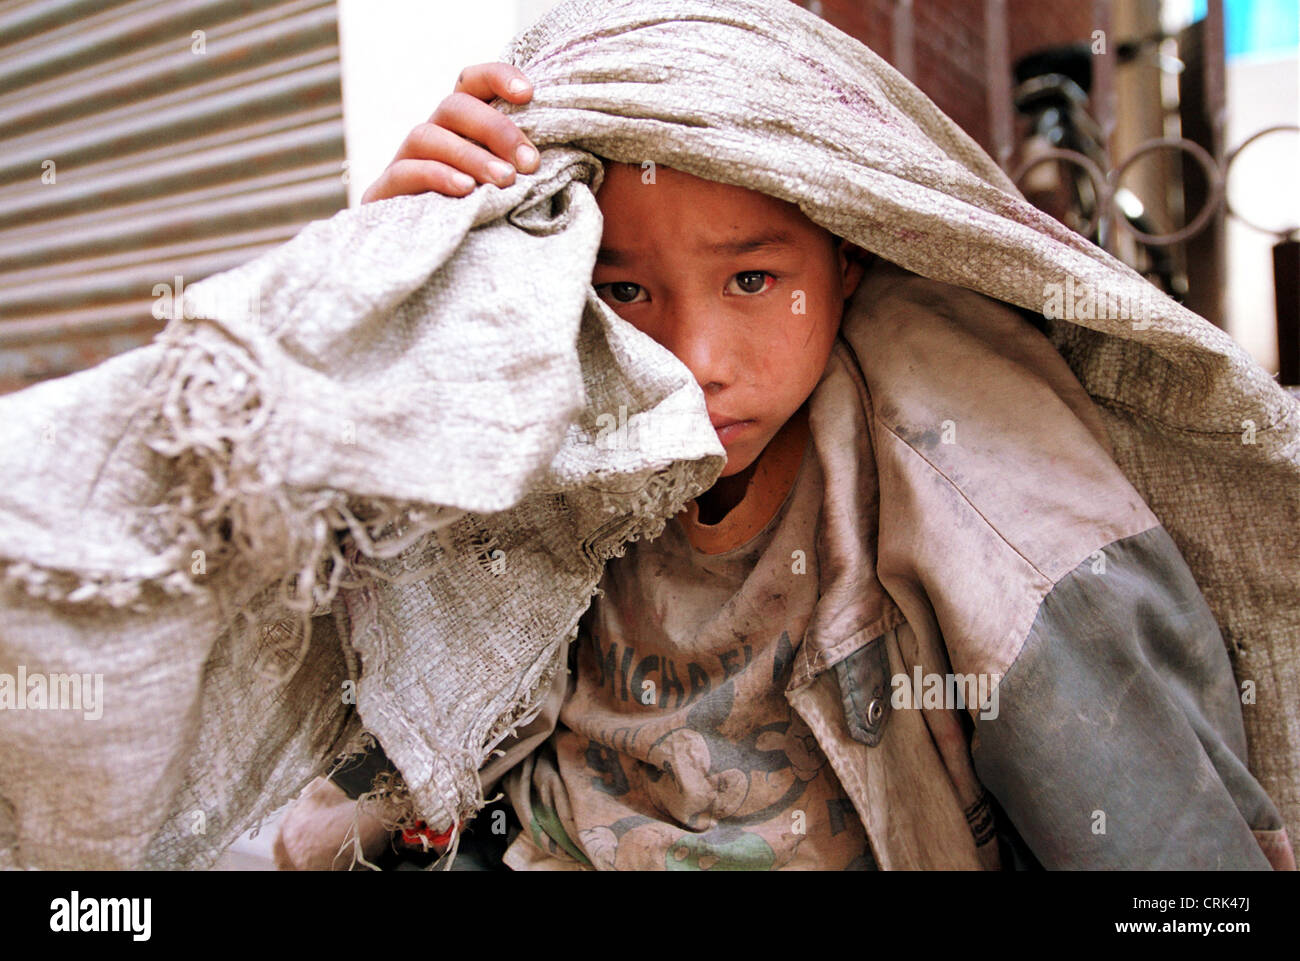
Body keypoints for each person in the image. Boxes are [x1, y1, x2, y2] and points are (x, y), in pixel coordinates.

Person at [274, 58, 1290, 871]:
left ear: (845, 259)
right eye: (623, 292)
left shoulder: (980, 498)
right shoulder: (540, 422)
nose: (696, 363)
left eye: (753, 279)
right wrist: (402, 281)